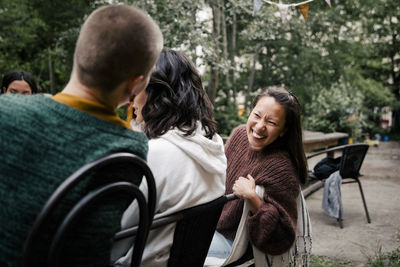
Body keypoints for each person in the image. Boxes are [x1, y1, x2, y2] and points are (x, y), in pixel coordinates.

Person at [0, 4, 162, 267]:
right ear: (135, 84)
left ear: (79, 55)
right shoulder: (125, 147)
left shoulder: (5, 110)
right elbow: (88, 251)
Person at [111, 49, 227, 267]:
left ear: (158, 93)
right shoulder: (214, 144)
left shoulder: (155, 154)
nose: (130, 97)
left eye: (137, 88)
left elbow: (118, 237)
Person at [207, 88, 309, 265]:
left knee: (168, 247)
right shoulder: (239, 135)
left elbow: (282, 237)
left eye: (271, 122)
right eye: (257, 115)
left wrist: (253, 199)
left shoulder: (281, 168)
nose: (260, 126)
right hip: (209, 223)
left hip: (233, 241)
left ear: (283, 130)